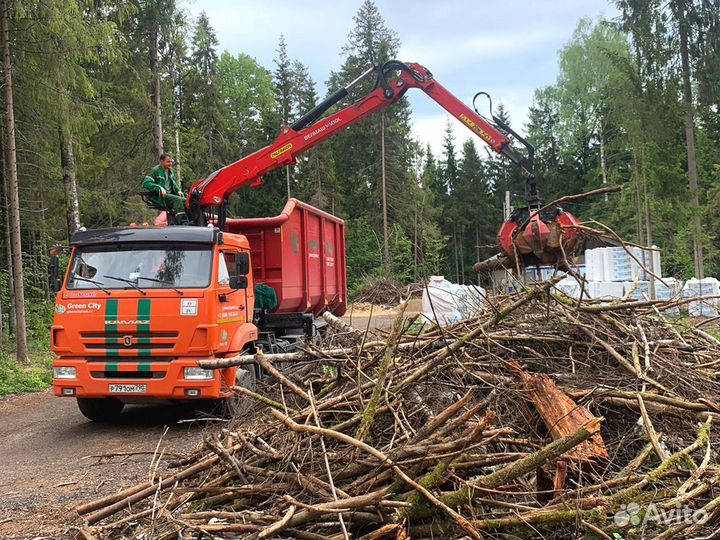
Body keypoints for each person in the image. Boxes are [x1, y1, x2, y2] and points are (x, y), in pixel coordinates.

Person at [142, 153, 188, 224]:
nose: (170, 163)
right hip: (159, 196)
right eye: (168, 162)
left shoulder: (170, 171)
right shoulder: (155, 170)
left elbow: (173, 183)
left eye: (171, 162)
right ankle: (184, 223)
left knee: (186, 201)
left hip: (170, 195)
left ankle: (191, 220)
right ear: (161, 161)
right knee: (177, 200)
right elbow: (146, 183)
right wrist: (158, 187)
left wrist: (178, 191)